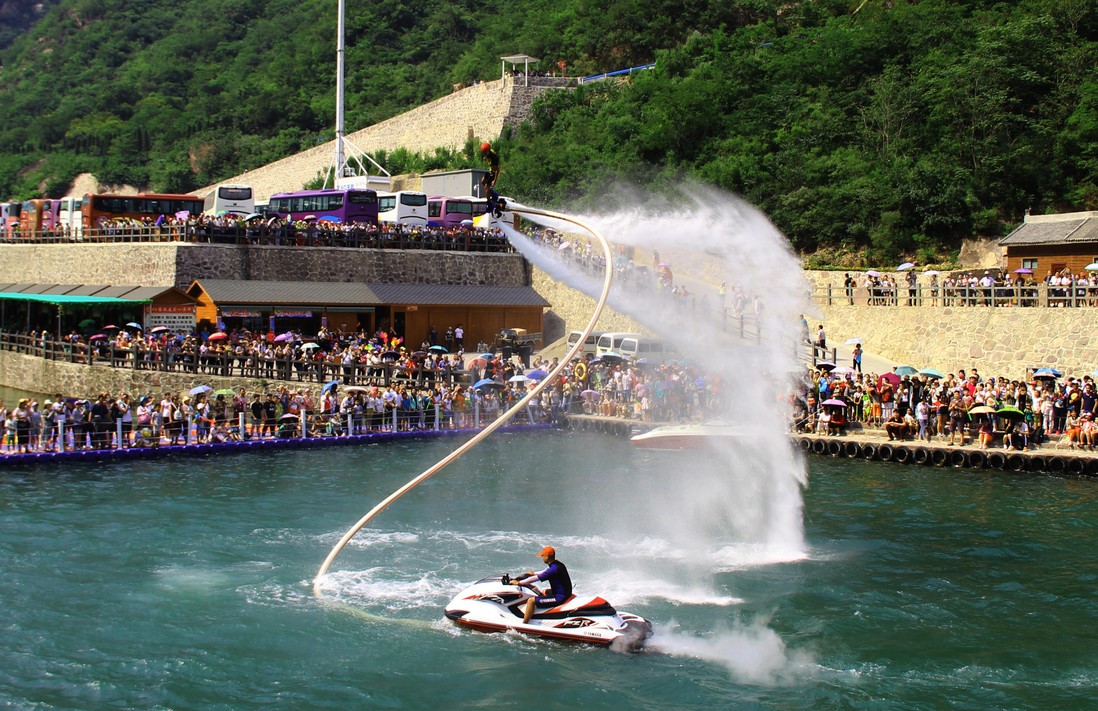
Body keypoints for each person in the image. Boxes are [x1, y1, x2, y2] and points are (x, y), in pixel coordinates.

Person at [514, 545, 573, 624]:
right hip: (565, 592)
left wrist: (519, 583)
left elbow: (535, 579)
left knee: (531, 601)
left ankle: (524, 623)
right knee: (544, 591)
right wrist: (533, 573)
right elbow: (545, 571)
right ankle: (542, 611)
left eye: (543, 556)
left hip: (560, 597)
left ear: (547, 556)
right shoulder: (558, 564)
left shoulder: (553, 569)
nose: (542, 557)